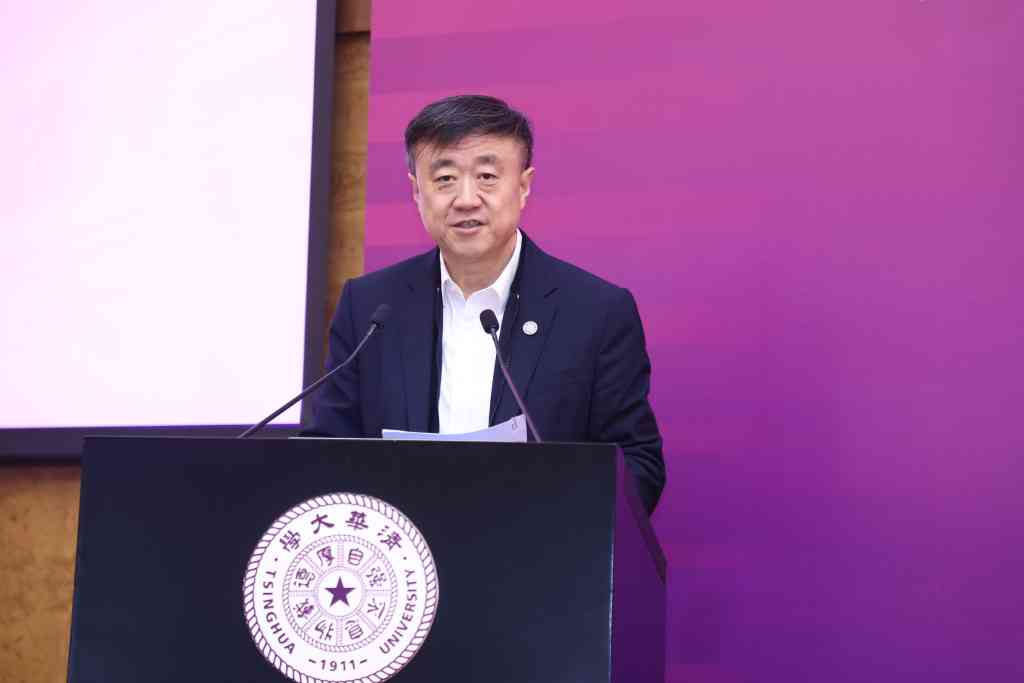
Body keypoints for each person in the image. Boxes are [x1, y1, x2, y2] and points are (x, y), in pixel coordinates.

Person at [306, 95, 665, 514]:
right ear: (417, 191)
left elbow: (637, 465)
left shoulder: (595, 312)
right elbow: (325, 450)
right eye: (444, 178)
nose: (466, 199)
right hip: (403, 548)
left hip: (537, 548)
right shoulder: (369, 307)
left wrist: (563, 527)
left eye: (487, 176)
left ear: (523, 186)